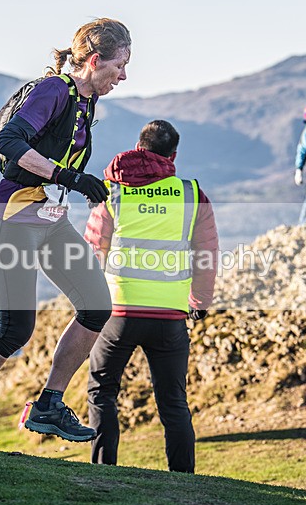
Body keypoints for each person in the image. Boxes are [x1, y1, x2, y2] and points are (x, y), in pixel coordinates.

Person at [0, 18, 131, 451]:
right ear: (96, 59)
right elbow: (10, 141)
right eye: (120, 65)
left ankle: (48, 404)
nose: (124, 76)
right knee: (15, 329)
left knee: (97, 307)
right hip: (13, 217)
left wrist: (77, 183)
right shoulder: (54, 91)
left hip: (48, 218)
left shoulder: (85, 102)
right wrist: (69, 176)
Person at [83, 120, 218, 473]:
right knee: (173, 402)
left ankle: (103, 470)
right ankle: (184, 479)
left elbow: (94, 246)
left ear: (139, 147)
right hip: (171, 317)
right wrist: (199, 302)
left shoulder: (114, 192)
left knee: (101, 392)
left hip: (119, 313)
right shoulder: (192, 194)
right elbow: (207, 254)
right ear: (173, 156)